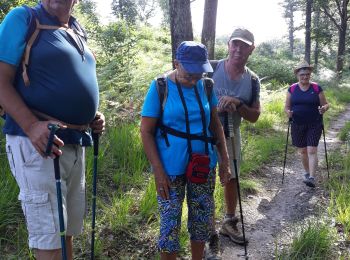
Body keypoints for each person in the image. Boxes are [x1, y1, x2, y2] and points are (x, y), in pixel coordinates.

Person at [0, 1, 105, 259]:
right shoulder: (23, 19)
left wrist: (90, 116)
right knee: (49, 238)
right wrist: (31, 125)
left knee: (65, 230)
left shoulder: (76, 27)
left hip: (75, 141)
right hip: (37, 143)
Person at [140, 41, 231, 260]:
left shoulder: (206, 85)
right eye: (188, 74)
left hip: (203, 164)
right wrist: (158, 172)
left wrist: (224, 161)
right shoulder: (160, 86)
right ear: (176, 63)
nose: (193, 80)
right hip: (169, 169)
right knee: (170, 223)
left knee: (201, 218)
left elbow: (215, 125)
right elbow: (146, 131)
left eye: (198, 74)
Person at [205, 27, 261, 258]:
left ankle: (229, 221)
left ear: (251, 49)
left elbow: (255, 116)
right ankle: (207, 232)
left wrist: (238, 104)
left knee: (231, 177)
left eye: (244, 45)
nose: (238, 49)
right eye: (235, 43)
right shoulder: (211, 67)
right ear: (228, 44)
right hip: (203, 133)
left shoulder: (253, 80)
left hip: (231, 132)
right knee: (204, 178)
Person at [285, 60, 329, 188]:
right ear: (297, 75)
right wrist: (288, 112)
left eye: (307, 74)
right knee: (303, 151)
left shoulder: (316, 88)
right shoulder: (292, 89)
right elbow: (287, 106)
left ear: (310, 74)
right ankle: (306, 172)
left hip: (314, 123)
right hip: (297, 123)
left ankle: (312, 177)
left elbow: (325, 104)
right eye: (302, 74)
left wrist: (324, 109)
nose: (305, 76)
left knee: (311, 150)